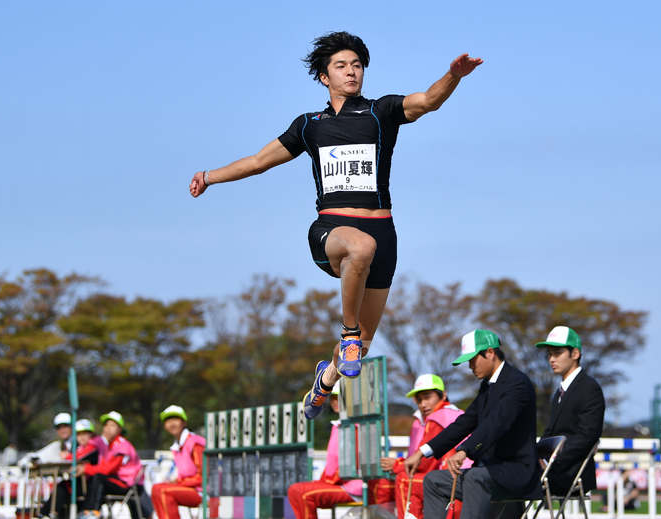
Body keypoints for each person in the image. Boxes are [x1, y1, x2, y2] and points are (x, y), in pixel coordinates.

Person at [188, 31, 482, 419]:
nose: (351, 72)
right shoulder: (310, 125)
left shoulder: (381, 112)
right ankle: (347, 334)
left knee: (366, 338)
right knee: (359, 254)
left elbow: (428, 101)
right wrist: (209, 176)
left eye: (357, 65)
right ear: (324, 77)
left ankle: (324, 382)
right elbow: (258, 161)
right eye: (341, 66)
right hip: (331, 232)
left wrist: (454, 77)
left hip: (383, 233)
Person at [403, 330, 540, 519]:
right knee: (433, 480)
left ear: (490, 353)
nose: (469, 366)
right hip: (490, 471)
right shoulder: (487, 386)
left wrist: (465, 450)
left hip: (516, 471)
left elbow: (496, 424)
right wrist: (422, 452)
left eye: (472, 360)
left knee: (475, 477)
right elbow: (464, 423)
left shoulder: (517, 384)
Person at [288, 386, 394, 519]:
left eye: (340, 398)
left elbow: (354, 462)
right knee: (293, 490)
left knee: (302, 493)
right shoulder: (339, 425)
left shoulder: (357, 426)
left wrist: (329, 480)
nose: (335, 401)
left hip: (354, 487)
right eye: (333, 398)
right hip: (339, 483)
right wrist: (326, 479)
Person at [379, 374, 470, 519]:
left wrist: (397, 465)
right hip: (465, 477)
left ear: (443, 395)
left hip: (455, 480)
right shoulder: (455, 414)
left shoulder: (439, 417)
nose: (423, 404)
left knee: (404, 480)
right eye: (419, 399)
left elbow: (426, 462)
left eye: (427, 397)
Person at [536, 325, 605, 496]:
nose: (551, 359)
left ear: (575, 354)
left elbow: (587, 436)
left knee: (507, 480)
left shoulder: (589, 388)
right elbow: (550, 432)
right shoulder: (560, 391)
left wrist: (551, 462)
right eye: (549, 354)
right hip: (555, 470)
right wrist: (534, 456)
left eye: (557, 353)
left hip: (571, 473)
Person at [78, 411, 151, 519]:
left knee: (98, 478)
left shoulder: (122, 445)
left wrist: (86, 469)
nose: (107, 428)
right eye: (106, 425)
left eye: (112, 425)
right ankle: (85, 511)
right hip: (117, 481)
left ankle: (91, 513)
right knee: (91, 481)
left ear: (119, 429)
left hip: (127, 484)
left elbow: (108, 469)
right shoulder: (108, 445)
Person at [150, 405, 206, 519]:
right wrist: (178, 481)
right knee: (156, 488)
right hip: (189, 487)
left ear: (184, 422)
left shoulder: (195, 443)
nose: (171, 423)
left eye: (175, 419)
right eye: (168, 420)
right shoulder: (177, 446)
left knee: (164, 491)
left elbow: (202, 476)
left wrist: (180, 482)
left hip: (203, 491)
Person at [42, 418, 103, 519]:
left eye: (85, 433)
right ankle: (45, 514)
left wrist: (67, 456)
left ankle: (46, 514)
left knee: (62, 488)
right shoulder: (79, 447)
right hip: (81, 483)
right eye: (79, 434)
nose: (82, 437)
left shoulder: (94, 446)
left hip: (91, 487)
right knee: (62, 487)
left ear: (91, 435)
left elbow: (78, 457)